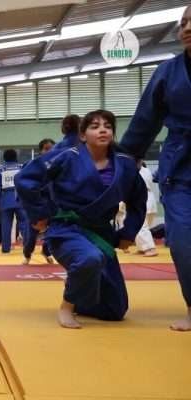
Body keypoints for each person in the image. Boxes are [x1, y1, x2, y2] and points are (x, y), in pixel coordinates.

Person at [16, 110, 146, 329]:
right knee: (89, 258)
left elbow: (138, 200)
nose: (102, 130)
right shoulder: (67, 156)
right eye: (95, 126)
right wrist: (40, 214)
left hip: (101, 234)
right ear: (83, 135)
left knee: (115, 310)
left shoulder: (124, 164)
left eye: (107, 126)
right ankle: (67, 306)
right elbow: (25, 179)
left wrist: (128, 232)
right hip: (66, 230)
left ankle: (80, 295)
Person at [119, 6, 191, 331]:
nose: (187, 28)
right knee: (183, 240)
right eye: (184, 23)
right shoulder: (168, 72)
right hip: (181, 169)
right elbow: (145, 121)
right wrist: (125, 161)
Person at [22, 139, 56, 265]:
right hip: (35, 202)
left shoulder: (59, 164)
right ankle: (27, 254)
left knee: (53, 231)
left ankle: (46, 251)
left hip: (52, 202)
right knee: (32, 234)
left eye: (52, 148)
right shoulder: (30, 165)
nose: (50, 151)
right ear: (40, 151)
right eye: (46, 149)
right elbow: (22, 184)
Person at [0, 149, 28, 253]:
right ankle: (27, 247)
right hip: (20, 197)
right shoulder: (22, 167)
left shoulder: (0, 169)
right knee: (24, 223)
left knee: (6, 225)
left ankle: (5, 249)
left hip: (6, 198)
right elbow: (27, 183)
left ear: (4, 158)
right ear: (16, 157)